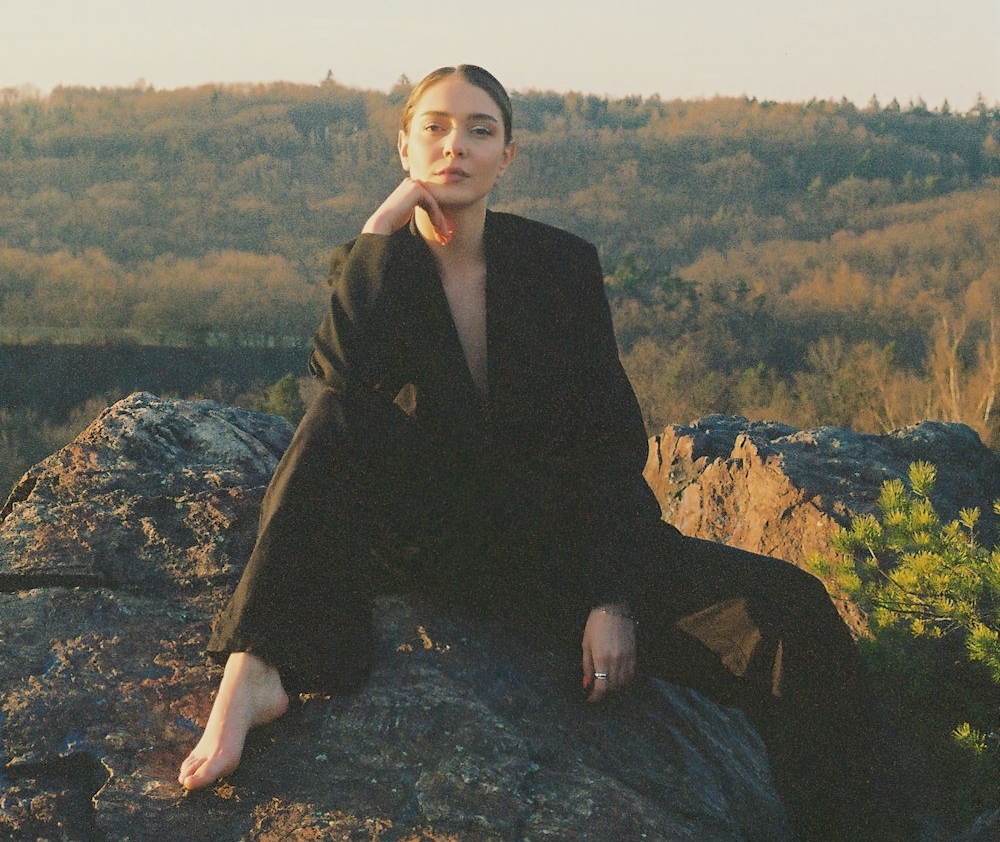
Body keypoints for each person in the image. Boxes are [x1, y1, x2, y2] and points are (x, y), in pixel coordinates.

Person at [178, 65, 915, 841]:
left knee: (788, 612)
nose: (454, 145)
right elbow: (340, 380)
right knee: (334, 418)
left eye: (480, 130)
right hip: (439, 541)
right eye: (433, 126)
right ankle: (254, 668)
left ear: (508, 156)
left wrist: (613, 596)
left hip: (558, 546)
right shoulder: (374, 264)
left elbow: (606, 442)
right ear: (403, 146)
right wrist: (378, 232)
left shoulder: (559, 266)